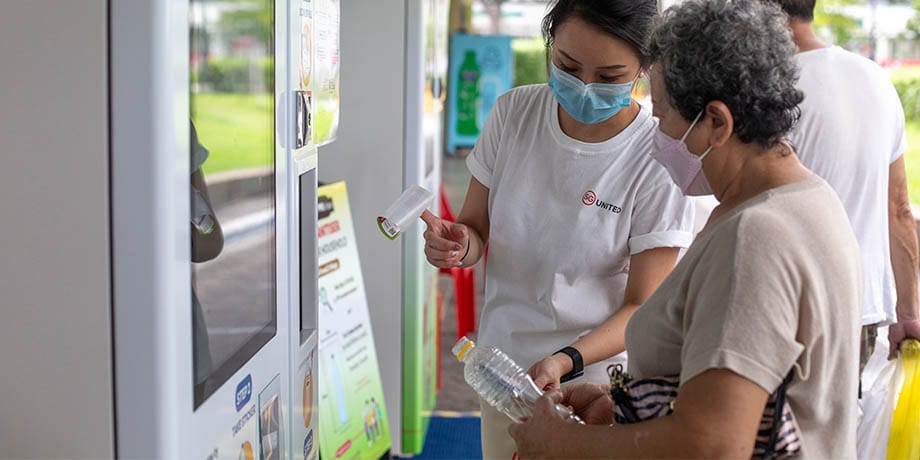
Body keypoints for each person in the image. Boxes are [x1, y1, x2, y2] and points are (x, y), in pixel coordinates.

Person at [508, 1, 862, 457]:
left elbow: (714, 443)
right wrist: (624, 404)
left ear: (716, 122)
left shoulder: (756, 237)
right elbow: (739, 389)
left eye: (662, 116)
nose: (657, 135)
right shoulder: (805, 201)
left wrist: (565, 443)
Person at [422, 0, 696, 457]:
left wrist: (566, 360)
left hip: (594, 385)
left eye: (609, 77)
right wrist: (458, 245)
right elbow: (474, 232)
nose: (585, 87)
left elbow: (643, 307)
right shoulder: (514, 114)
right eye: (568, 67)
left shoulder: (654, 158)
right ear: (550, 45)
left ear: (644, 67)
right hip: (504, 369)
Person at [763, 0, 920, 372]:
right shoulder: (874, 77)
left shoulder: (768, 90)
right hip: (860, 311)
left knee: (776, 430)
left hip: (788, 309)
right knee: (842, 424)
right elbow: (899, 207)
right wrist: (909, 314)